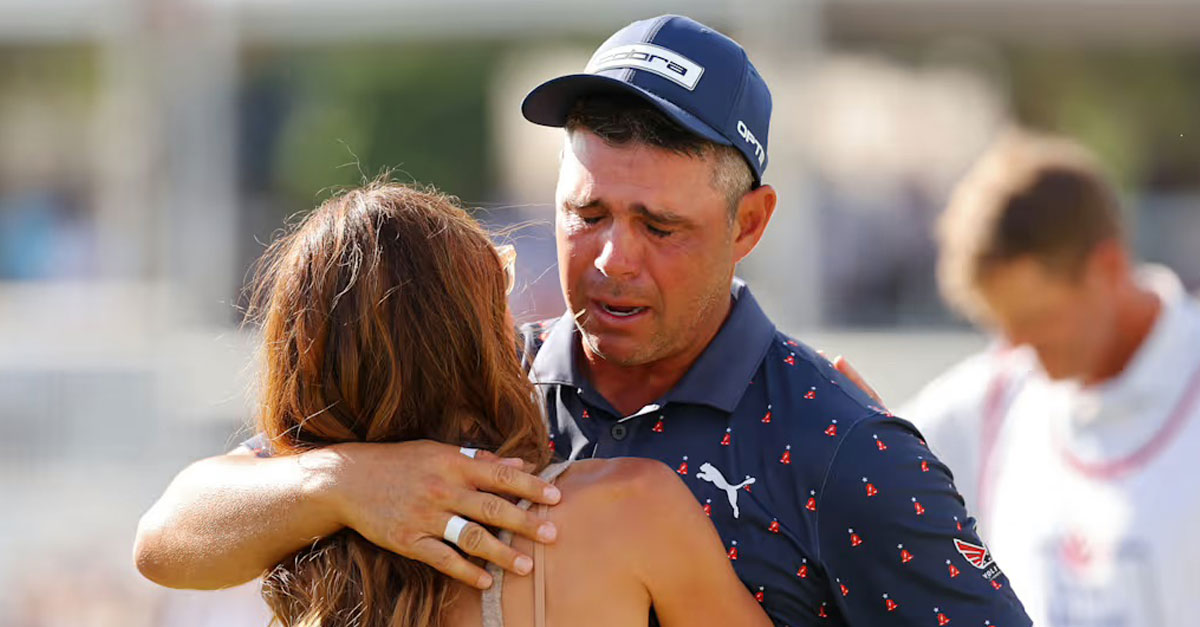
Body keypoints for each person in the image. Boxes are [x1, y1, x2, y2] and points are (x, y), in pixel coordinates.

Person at [136, 15, 1030, 625]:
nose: (611, 260)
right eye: (587, 214)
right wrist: (335, 484)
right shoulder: (477, 375)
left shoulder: (842, 444)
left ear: (748, 225)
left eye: (660, 226)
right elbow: (170, 534)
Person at [243, 180, 771, 626]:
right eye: (499, 280)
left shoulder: (288, 537)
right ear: (472, 332)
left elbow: (163, 542)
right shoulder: (631, 508)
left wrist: (338, 485)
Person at [902, 131, 1200, 626]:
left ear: (1107, 268)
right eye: (1002, 325)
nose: (1017, 347)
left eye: (1037, 318)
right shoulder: (994, 397)